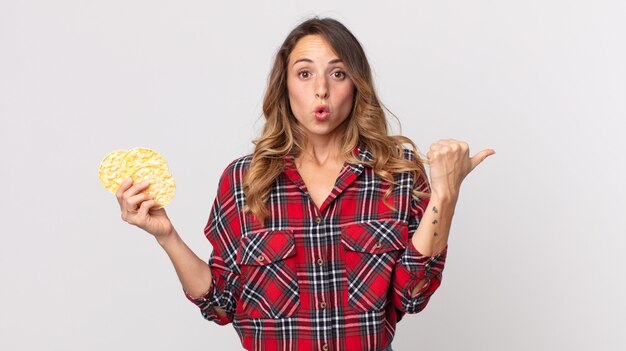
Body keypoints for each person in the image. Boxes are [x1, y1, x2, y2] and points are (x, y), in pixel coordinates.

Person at [115, 17, 494, 351]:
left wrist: (445, 195)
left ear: (356, 85)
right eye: (305, 73)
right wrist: (166, 235)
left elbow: (412, 295)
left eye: (338, 72)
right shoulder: (244, 181)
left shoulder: (396, 172)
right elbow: (221, 303)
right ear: (285, 86)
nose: (322, 90)